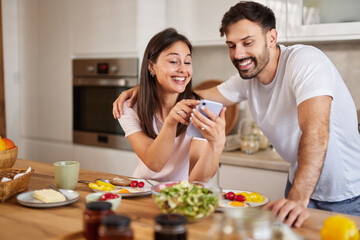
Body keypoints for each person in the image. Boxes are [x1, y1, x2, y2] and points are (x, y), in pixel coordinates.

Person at [113, 1, 360, 227]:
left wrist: (297, 198)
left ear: (272, 37)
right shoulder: (247, 80)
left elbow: (316, 131)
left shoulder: (305, 61)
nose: (238, 54)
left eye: (247, 42)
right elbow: (194, 95)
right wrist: (149, 86)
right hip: (299, 183)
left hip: (345, 194)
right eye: (232, 45)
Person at [116, 28, 226, 183]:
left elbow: (196, 179)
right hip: (141, 192)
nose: (183, 69)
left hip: (181, 194)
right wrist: (170, 122)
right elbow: (154, 163)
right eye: (174, 61)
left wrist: (216, 144)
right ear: (151, 67)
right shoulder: (130, 107)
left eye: (187, 62)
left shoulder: (198, 110)